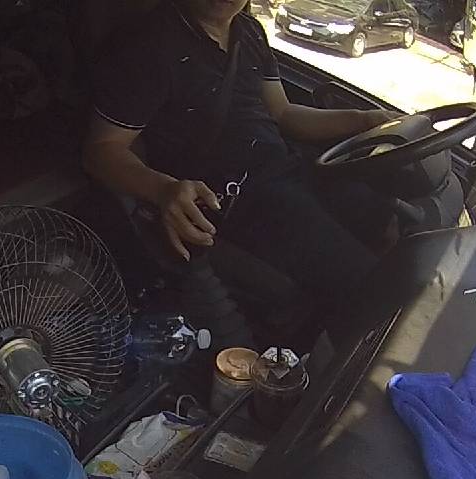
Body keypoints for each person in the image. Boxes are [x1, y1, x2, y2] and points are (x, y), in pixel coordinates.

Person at [82, 0, 397, 307]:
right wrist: (163, 189)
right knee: (372, 285)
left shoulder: (249, 31)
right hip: (237, 199)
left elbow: (283, 113)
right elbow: (102, 149)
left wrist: (363, 120)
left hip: (289, 167)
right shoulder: (146, 47)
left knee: (385, 219)